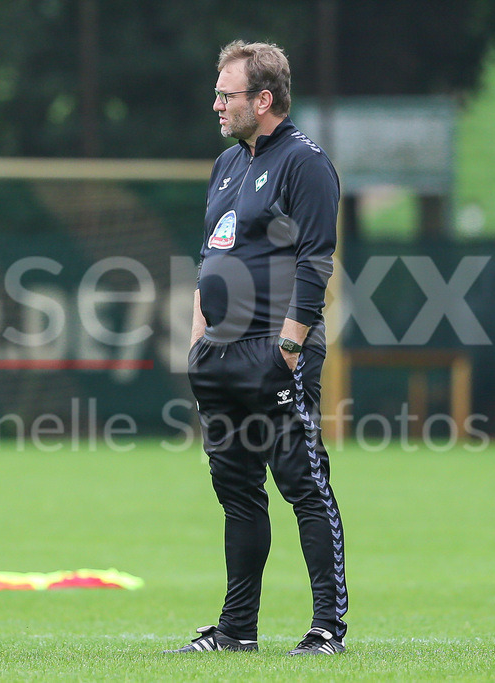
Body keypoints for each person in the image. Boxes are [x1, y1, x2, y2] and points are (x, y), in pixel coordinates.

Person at [166, 40, 348, 656]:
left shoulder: (306, 163)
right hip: (218, 356)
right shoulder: (226, 164)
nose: (216, 103)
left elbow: (315, 261)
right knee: (236, 493)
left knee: (304, 484)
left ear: (263, 99)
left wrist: (290, 349)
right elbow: (209, 259)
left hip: (273, 351)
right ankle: (237, 629)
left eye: (227, 94)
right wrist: (196, 344)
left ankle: (327, 628)